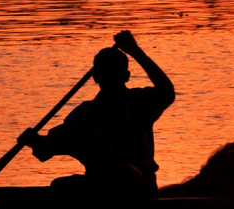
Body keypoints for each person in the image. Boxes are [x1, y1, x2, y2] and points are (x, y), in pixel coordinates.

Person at [19, 30, 175, 200]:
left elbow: (166, 91)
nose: (111, 78)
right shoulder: (84, 114)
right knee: (60, 185)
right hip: (99, 190)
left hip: (139, 190)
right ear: (96, 77)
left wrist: (136, 52)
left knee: (123, 172)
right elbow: (48, 148)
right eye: (106, 73)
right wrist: (34, 140)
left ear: (126, 76)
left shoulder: (139, 103)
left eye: (115, 73)